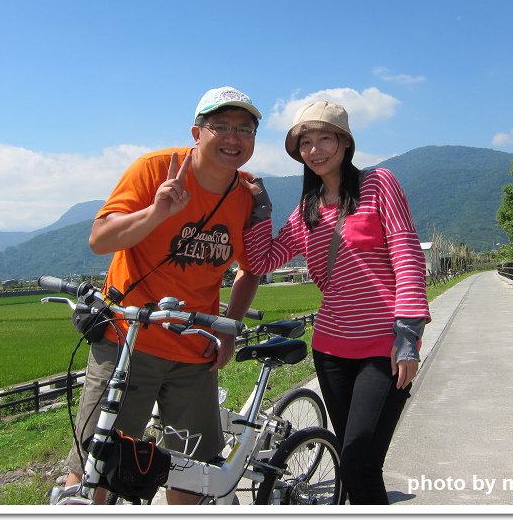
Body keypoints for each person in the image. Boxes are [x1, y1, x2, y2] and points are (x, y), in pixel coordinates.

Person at [59, 86, 263, 505]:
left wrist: (227, 332)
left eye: (245, 129)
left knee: (192, 473)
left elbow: (251, 268)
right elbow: (100, 239)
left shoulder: (244, 196)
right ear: (197, 132)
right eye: (220, 126)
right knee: (95, 469)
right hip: (128, 343)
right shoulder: (154, 170)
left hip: (194, 350)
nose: (233, 138)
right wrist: (156, 213)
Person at [242, 100, 430, 505]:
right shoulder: (307, 210)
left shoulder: (379, 185)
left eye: (325, 137)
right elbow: (262, 261)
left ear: (345, 143)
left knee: (359, 460)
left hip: (383, 346)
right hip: (330, 349)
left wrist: (409, 336)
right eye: (305, 142)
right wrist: (260, 208)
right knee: (351, 463)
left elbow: (407, 253)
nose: (315, 150)